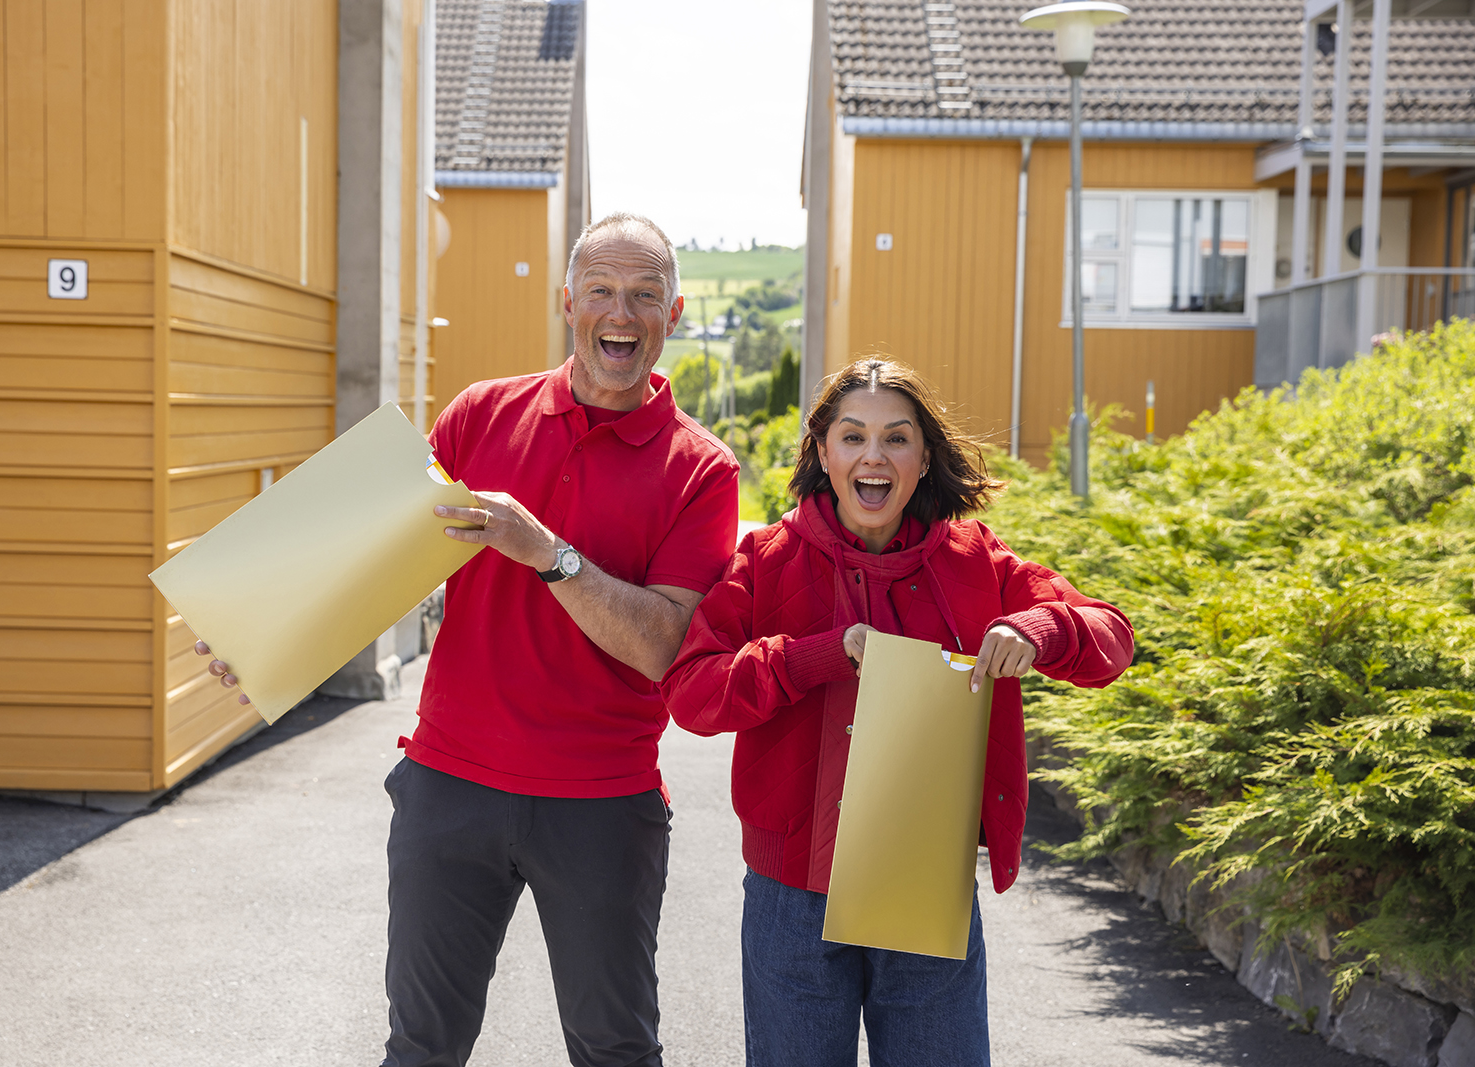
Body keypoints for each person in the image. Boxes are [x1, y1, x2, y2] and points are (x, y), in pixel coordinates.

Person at [197, 212, 740, 1067]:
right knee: (420, 1047)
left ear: (672, 316)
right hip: (448, 786)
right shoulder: (481, 414)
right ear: (569, 302)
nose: (622, 315)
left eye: (645, 295)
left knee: (616, 1050)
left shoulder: (701, 470)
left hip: (599, 803)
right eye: (601, 291)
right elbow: (376, 557)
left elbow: (664, 646)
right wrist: (260, 630)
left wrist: (548, 553)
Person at [658, 358, 1133, 1067]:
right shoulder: (766, 558)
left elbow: (1110, 638)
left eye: (896, 438)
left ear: (923, 458)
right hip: (794, 898)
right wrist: (814, 655)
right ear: (824, 452)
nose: (873, 456)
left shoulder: (977, 561)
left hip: (925, 884)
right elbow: (693, 692)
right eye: (852, 437)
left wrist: (1039, 629)